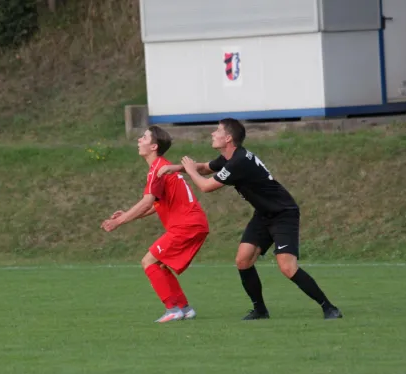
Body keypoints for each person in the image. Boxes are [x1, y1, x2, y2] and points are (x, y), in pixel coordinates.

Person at [158, 118, 342, 320]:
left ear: (228, 138)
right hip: (263, 214)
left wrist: (190, 170)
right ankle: (260, 311)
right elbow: (204, 168)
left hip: (283, 213)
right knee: (243, 260)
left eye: (217, 130)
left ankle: (329, 308)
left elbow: (205, 186)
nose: (213, 133)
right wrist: (176, 168)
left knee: (287, 267)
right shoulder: (231, 157)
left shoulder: (239, 161)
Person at [101, 126, 210, 323]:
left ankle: (172, 310)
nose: (139, 140)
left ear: (153, 146)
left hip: (186, 225)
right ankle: (184, 308)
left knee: (148, 261)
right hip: (195, 224)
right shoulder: (162, 166)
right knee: (159, 264)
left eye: (144, 137)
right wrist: (127, 215)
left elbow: (147, 201)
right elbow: (156, 205)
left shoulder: (158, 170)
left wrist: (118, 221)